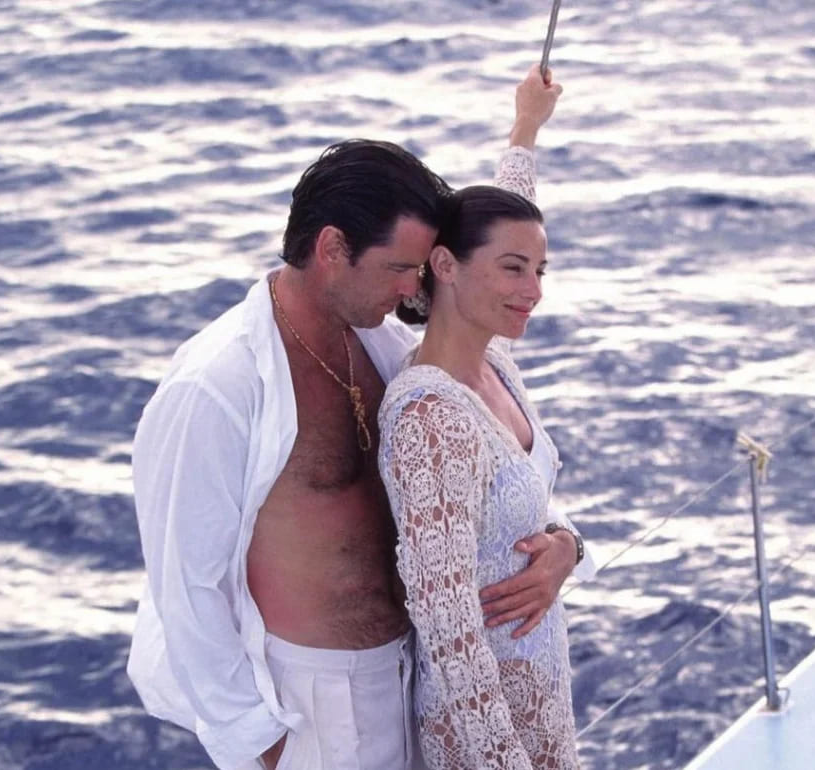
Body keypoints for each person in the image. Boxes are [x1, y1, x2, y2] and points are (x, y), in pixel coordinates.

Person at [127, 65, 588, 770]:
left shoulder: (383, 342)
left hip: (409, 682)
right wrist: (258, 742)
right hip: (308, 707)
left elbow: (481, 275)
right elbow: (185, 583)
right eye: (402, 269)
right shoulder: (216, 386)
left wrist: (561, 543)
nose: (418, 289)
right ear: (332, 249)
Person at [378, 183, 585, 769]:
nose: (534, 291)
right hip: (484, 733)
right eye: (514, 269)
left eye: (541, 270)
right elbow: (446, 628)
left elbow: (505, 205)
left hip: (540, 699)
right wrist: (502, 761)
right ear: (444, 265)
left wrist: (527, 128)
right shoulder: (431, 417)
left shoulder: (494, 365)